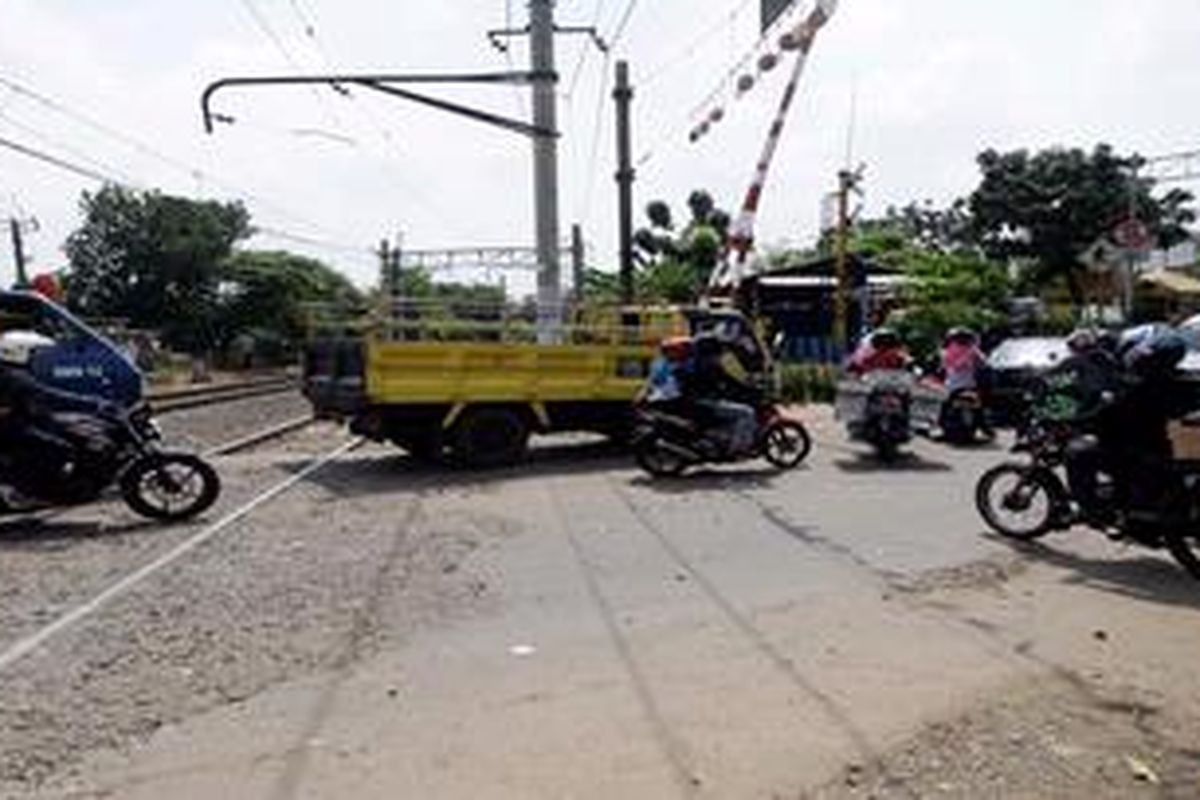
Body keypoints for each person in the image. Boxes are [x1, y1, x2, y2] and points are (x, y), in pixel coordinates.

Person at [846, 328, 912, 376]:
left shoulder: (896, 352)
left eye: (888, 340)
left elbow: (908, 361)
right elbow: (858, 364)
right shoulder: (869, 352)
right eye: (882, 340)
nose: (885, 342)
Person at [941, 327, 987, 392]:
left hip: (969, 385)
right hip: (954, 385)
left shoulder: (972, 349)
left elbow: (983, 362)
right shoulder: (948, 351)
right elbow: (955, 367)